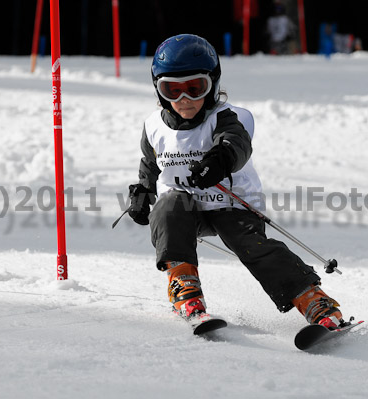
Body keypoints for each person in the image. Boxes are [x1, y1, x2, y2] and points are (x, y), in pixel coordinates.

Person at [127, 34, 345, 330]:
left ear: (213, 84)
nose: (184, 100)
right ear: (159, 90)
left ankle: (313, 301)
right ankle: (184, 287)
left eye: (195, 88)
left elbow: (236, 143)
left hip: (231, 204)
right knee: (168, 206)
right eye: (172, 90)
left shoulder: (227, 117)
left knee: (251, 245)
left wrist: (219, 160)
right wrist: (142, 191)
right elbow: (151, 163)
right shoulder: (154, 126)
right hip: (186, 208)